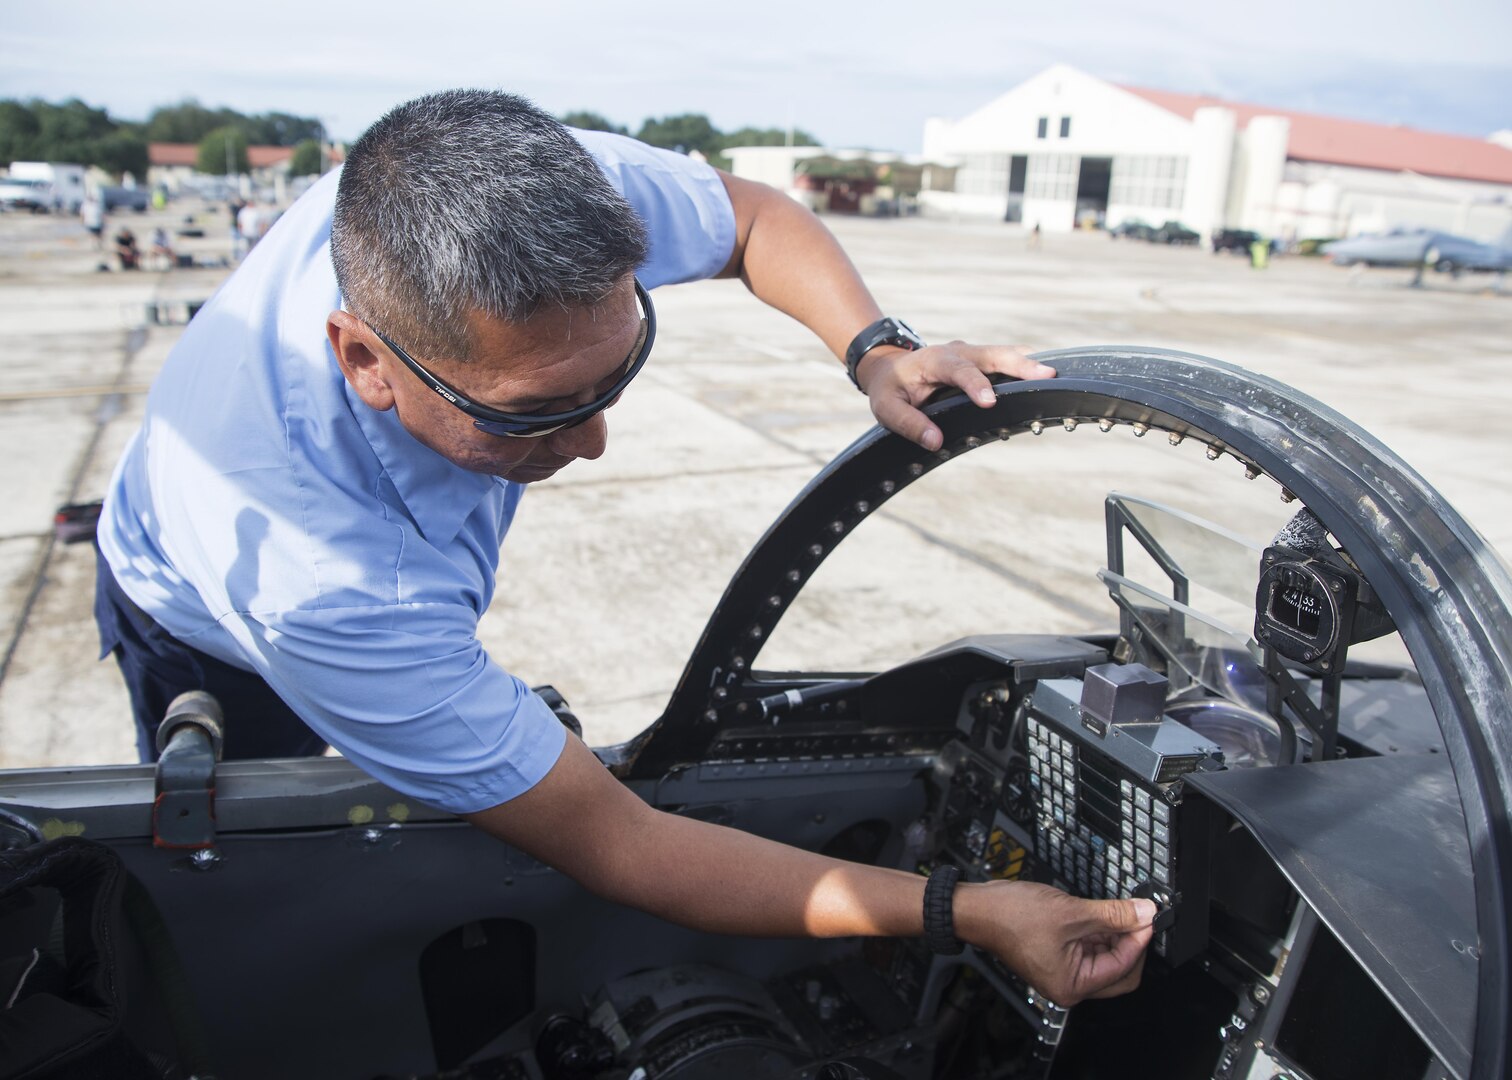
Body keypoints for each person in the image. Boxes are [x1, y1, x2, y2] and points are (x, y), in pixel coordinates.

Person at [95, 90, 1151, 1007]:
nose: (598, 444)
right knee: (250, 847)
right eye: (540, 411)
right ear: (368, 360)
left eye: (620, 371)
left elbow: (750, 218)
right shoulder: (321, 588)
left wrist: (877, 349)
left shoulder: (531, 189)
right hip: (197, 629)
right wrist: (964, 911)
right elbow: (618, 841)